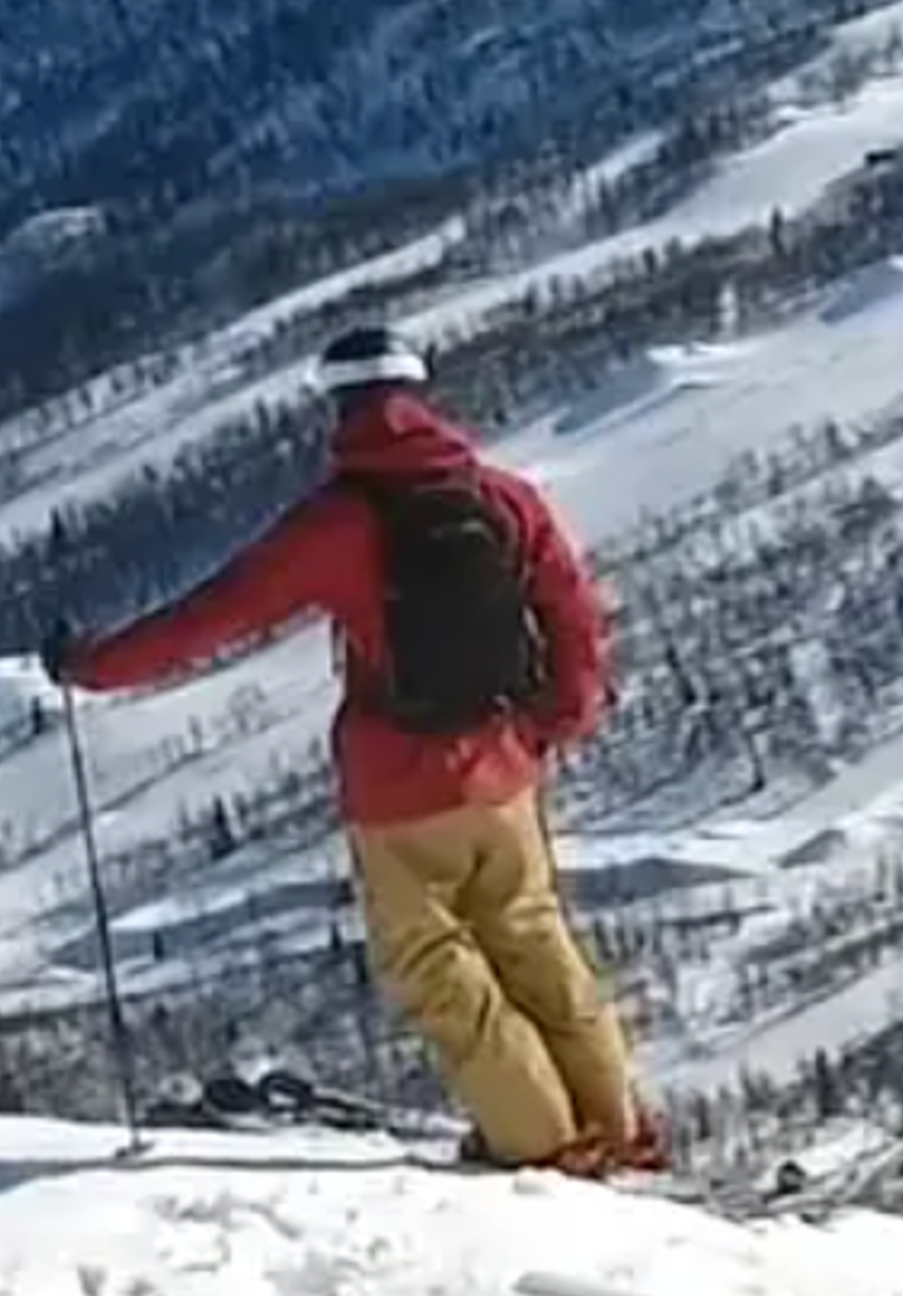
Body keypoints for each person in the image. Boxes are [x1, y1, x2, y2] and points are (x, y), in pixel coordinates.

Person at [49, 324, 666, 1177]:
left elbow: (208, 620)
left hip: (397, 787)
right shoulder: (504, 498)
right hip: (503, 768)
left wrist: (91, 665)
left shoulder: (336, 525)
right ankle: (621, 1130)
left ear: (337, 407)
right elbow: (574, 613)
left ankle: (545, 1149)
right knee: (535, 941)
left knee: (436, 967)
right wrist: (554, 719)